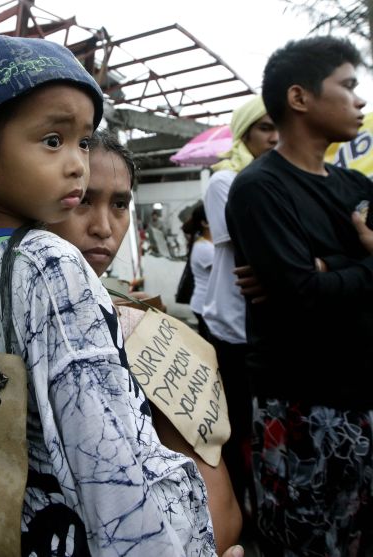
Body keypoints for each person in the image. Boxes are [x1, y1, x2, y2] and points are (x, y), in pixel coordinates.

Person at [0, 35, 227, 556]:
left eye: (84, 142)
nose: (76, 164)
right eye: (52, 140)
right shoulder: (49, 263)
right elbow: (109, 463)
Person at [47, 129, 240, 555]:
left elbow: (221, 517)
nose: (103, 227)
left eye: (119, 204)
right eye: (81, 199)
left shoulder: (137, 327)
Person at [225, 36, 373, 557]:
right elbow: (300, 296)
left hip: (363, 398)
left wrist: (329, 266)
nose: (360, 100)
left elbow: (309, 283)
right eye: (348, 85)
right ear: (299, 97)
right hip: (302, 405)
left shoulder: (357, 187)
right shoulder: (260, 187)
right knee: (304, 543)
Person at [201, 95, 278, 517]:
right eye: (265, 128)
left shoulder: (274, 178)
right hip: (234, 325)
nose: (275, 137)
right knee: (235, 426)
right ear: (245, 132)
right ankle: (238, 509)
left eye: (278, 127)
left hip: (269, 321)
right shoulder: (226, 181)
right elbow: (259, 248)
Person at [184, 203, 213, 340]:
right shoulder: (204, 248)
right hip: (204, 306)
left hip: (205, 305)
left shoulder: (206, 245)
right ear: (205, 223)